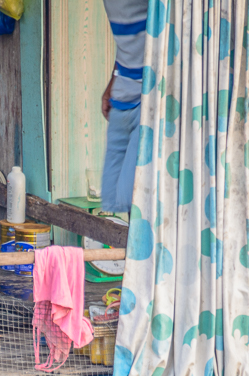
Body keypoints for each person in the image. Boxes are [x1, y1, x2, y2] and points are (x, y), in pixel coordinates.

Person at [100, 0, 149, 215]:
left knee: (133, 196)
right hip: (122, 99)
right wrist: (112, 82)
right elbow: (128, 46)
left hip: (148, 101)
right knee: (111, 198)